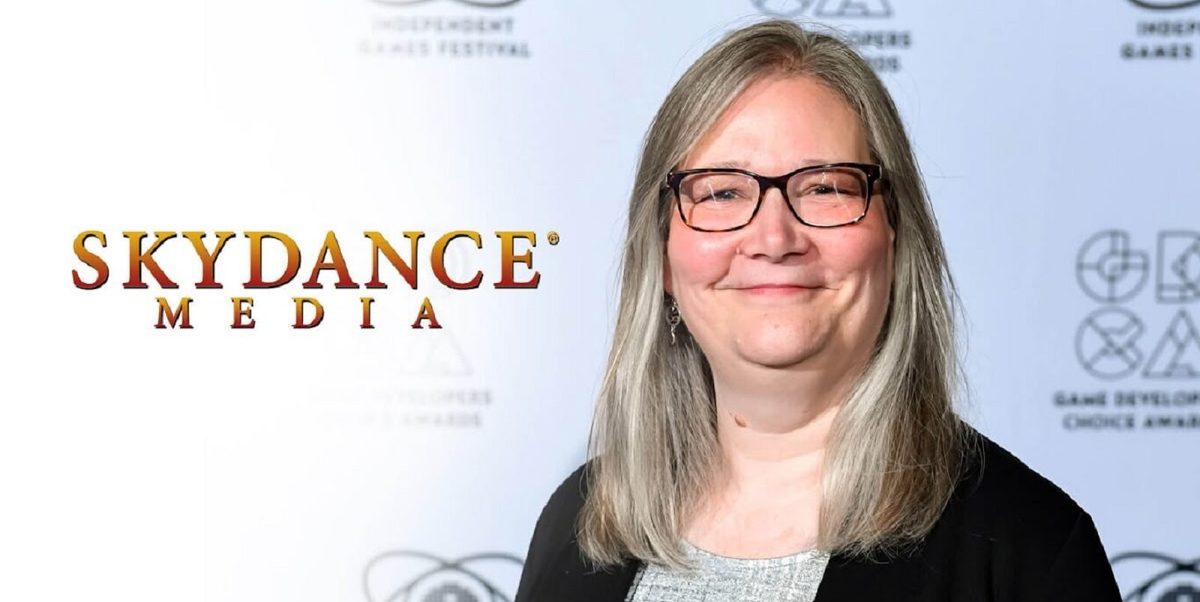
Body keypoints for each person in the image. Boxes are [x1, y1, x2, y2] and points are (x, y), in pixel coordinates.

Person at [515, 19, 1121, 602]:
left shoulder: (1029, 547)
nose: (774, 238)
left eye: (825, 187)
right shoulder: (578, 520)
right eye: (722, 191)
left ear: (895, 236)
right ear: (664, 256)